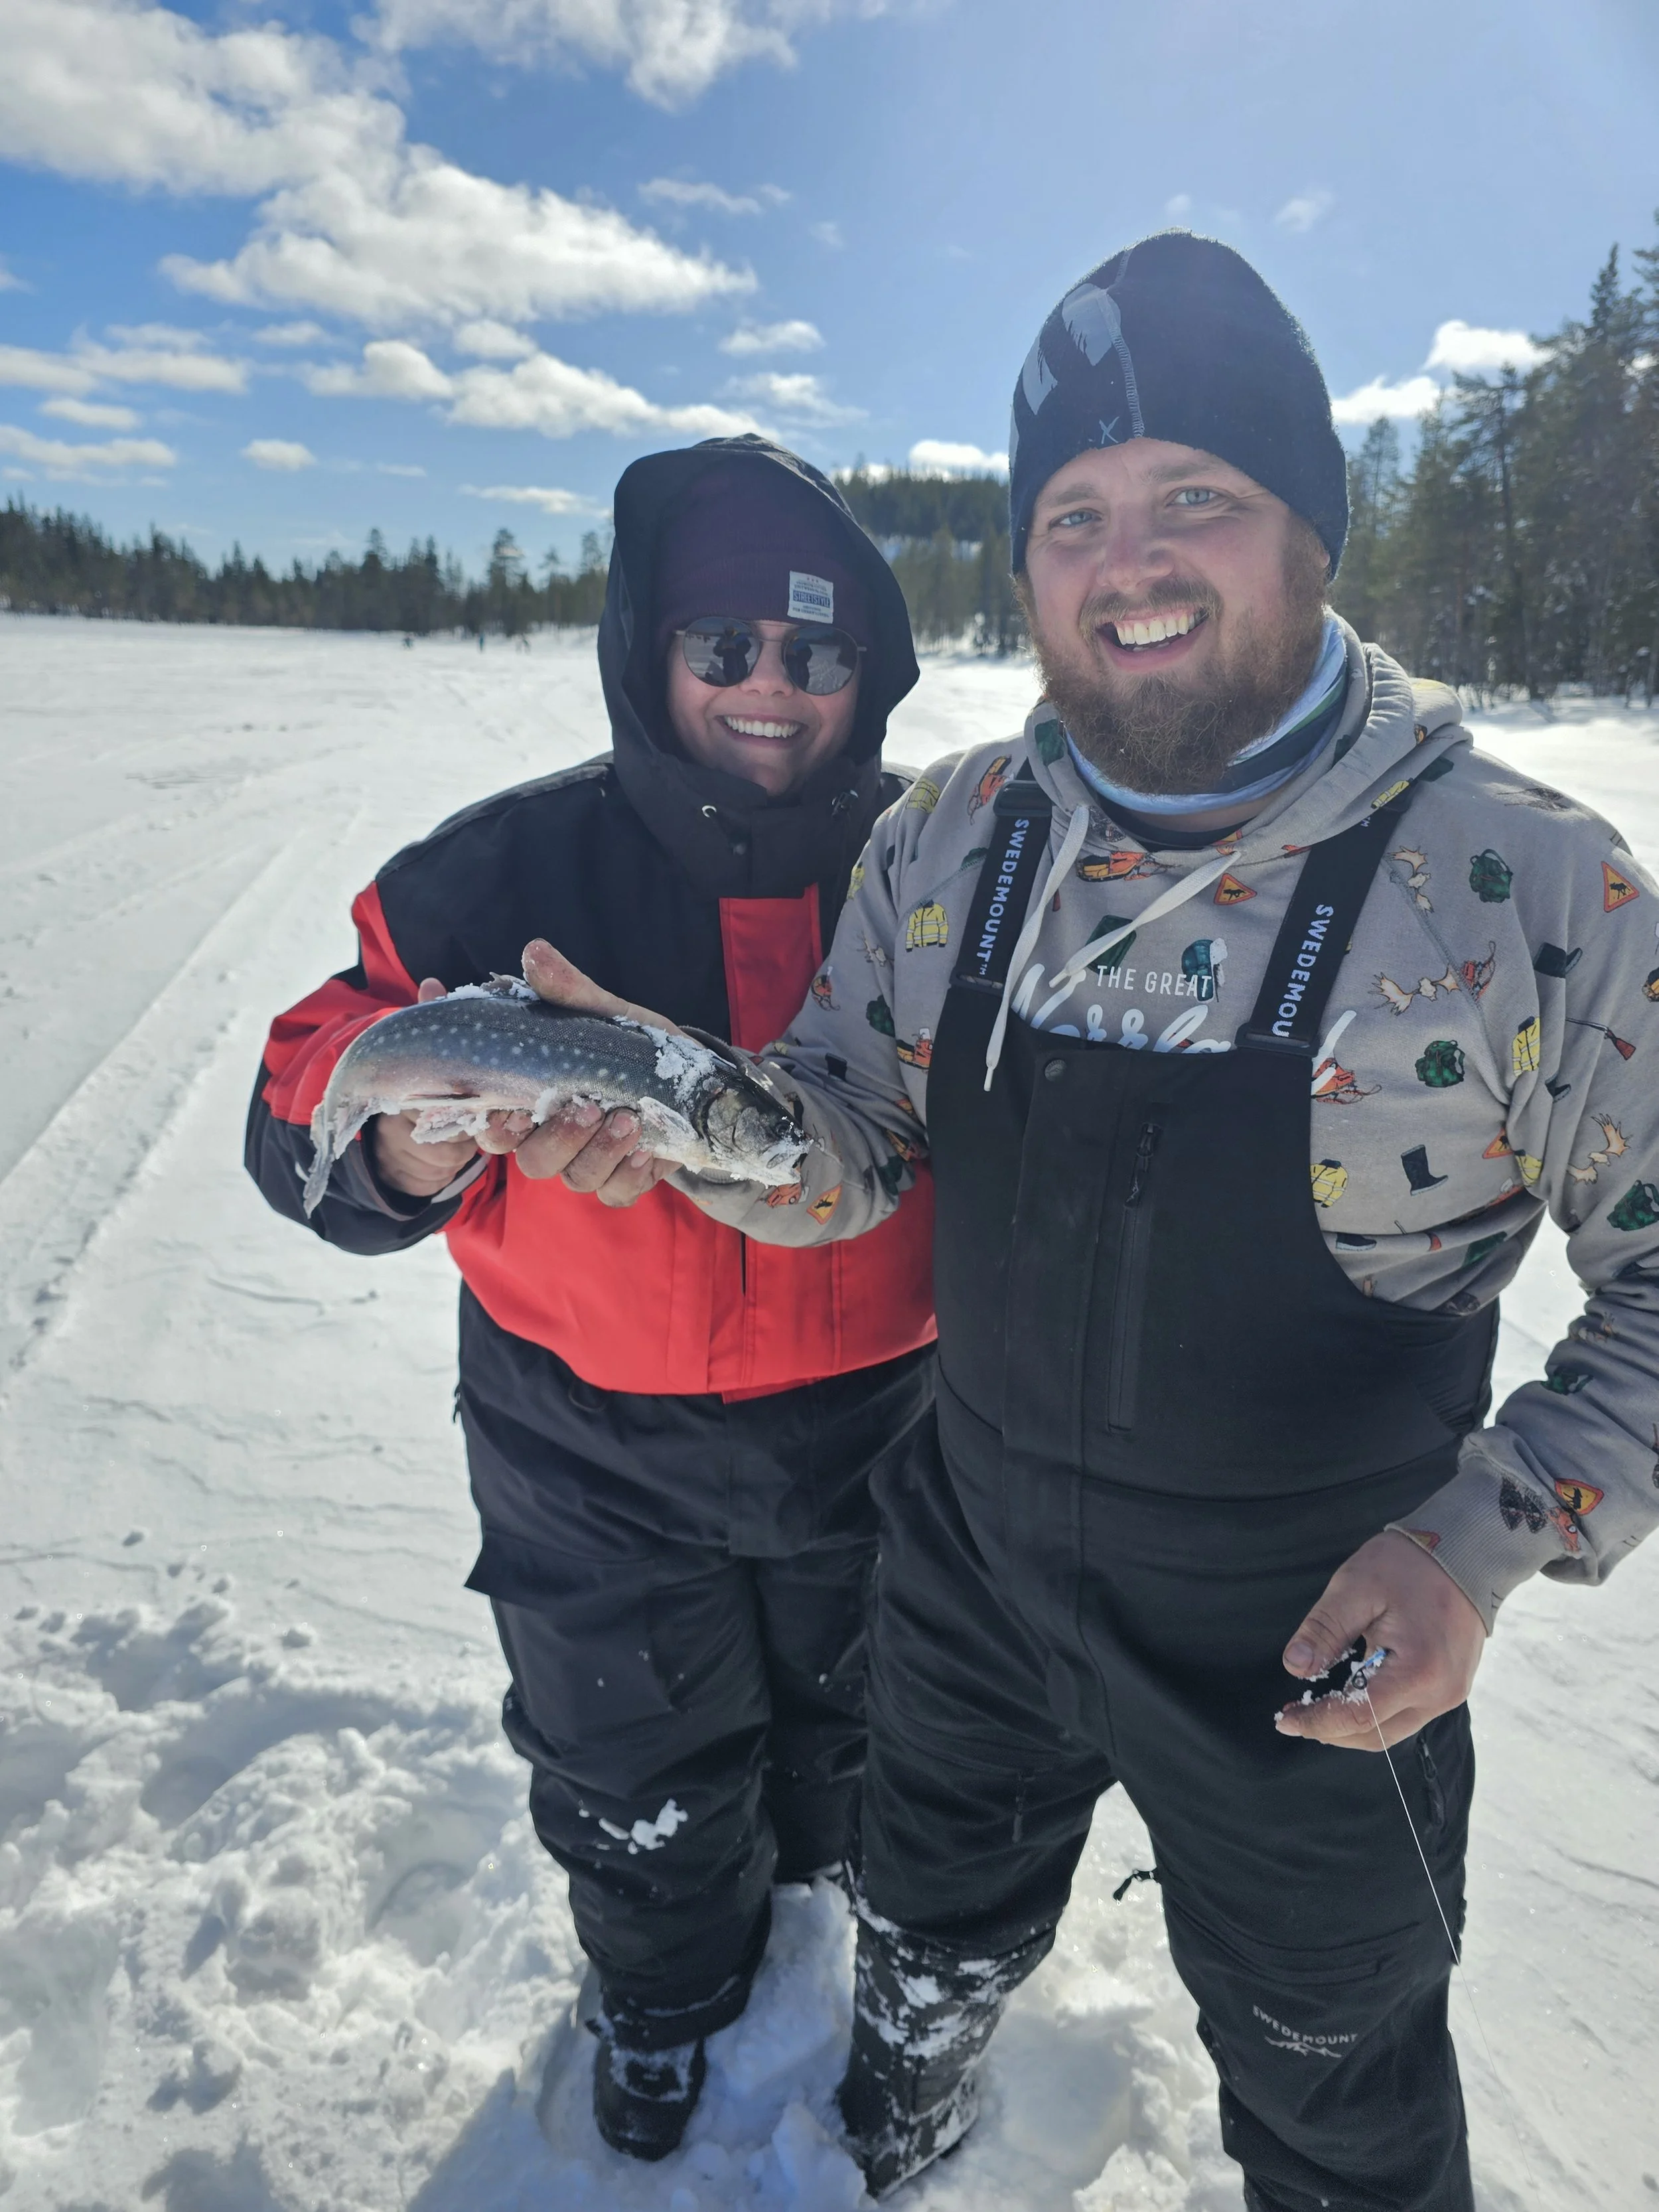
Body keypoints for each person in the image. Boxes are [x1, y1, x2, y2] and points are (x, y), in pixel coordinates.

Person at [520, 236, 1659, 2209]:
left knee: (1334, 2081)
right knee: (929, 1912)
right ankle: (910, 2089)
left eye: (1193, 498)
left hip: (1319, 1647)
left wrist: (1477, 1548)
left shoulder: (1521, 887)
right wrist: (699, 1119)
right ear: (1027, 563)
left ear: (1310, 530)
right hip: (964, 1574)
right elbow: (854, 1134)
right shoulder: (952, 837)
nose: (1130, 562)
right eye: (1073, 515)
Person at [244, 437, 936, 2162]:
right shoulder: (499, 871)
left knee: (852, 1725)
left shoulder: (943, 873)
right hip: (584, 1447)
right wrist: (412, 1137)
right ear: (651, 651)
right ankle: (660, 1990)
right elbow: (305, 1093)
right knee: (633, 1766)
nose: (769, 688)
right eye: (721, 647)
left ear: (871, 663)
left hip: (883, 1432)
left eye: (814, 649)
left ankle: (814, 1912)